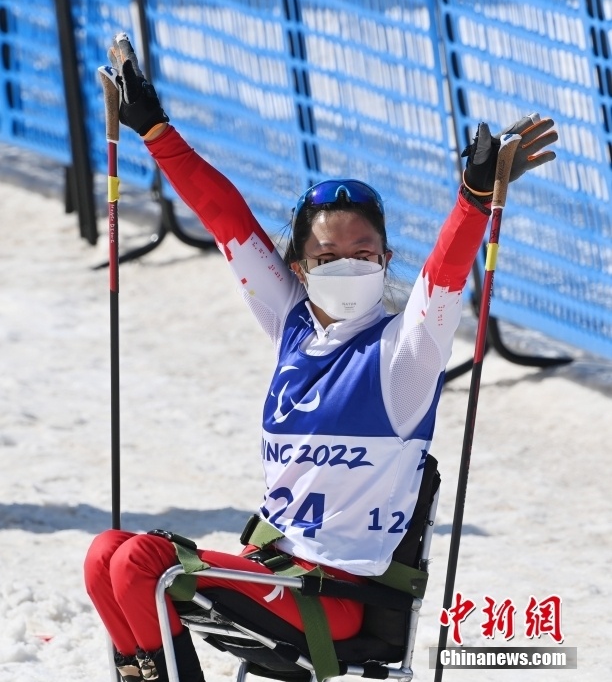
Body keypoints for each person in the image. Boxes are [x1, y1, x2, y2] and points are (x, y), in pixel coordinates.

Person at [84, 34, 558, 682]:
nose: (348, 266)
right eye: (329, 257)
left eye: (364, 254)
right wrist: (154, 130)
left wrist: (473, 200)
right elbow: (226, 218)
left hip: (333, 599)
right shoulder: (291, 325)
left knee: (141, 563)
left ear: (386, 261)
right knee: (103, 554)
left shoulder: (404, 354)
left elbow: (446, 276)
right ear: (301, 268)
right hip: (276, 572)